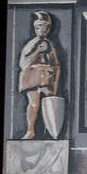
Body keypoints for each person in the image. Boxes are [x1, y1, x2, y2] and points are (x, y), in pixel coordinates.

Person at [19, 10, 61, 139]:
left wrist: (54, 81)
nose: (43, 30)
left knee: (48, 104)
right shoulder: (32, 44)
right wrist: (38, 51)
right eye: (39, 27)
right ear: (35, 28)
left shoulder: (50, 45)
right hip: (32, 80)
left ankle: (49, 132)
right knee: (34, 104)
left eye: (46, 27)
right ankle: (30, 130)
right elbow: (24, 63)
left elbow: (56, 65)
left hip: (46, 81)